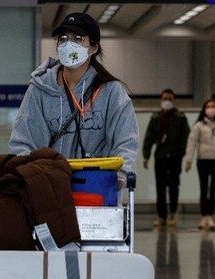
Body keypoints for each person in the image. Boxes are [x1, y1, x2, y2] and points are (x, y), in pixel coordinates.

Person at [9, 12, 139, 188]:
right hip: (51, 189)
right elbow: (23, 141)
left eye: (78, 38)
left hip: (96, 188)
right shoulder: (39, 89)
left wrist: (121, 175)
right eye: (63, 38)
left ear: (93, 48)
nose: (68, 44)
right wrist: (30, 178)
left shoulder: (111, 91)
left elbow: (126, 140)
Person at [142, 89, 190, 227]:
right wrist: (146, 156)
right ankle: (161, 216)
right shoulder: (155, 118)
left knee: (174, 186)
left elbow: (186, 137)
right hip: (160, 156)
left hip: (175, 157)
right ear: (161, 99)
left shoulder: (180, 117)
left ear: (173, 100)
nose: (167, 101)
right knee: (160, 187)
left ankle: (172, 214)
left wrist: (182, 153)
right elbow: (149, 138)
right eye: (165, 98)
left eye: (169, 98)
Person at [184, 98, 215, 231]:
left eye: (213, 107)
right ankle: (203, 216)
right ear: (204, 109)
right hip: (203, 160)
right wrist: (188, 160)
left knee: (213, 189)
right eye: (208, 107)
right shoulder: (199, 125)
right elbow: (191, 143)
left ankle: (210, 216)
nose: (211, 109)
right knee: (204, 188)